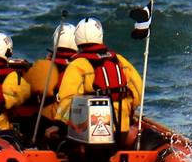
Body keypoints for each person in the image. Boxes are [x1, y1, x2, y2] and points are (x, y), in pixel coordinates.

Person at [49, 17, 143, 145]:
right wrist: (128, 111)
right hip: (122, 128)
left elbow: (68, 100)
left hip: (91, 135)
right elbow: (138, 91)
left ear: (77, 38)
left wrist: (59, 124)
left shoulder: (78, 64)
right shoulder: (119, 60)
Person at [23, 23, 77, 121]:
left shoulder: (45, 65)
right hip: (77, 118)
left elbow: (26, 86)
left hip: (50, 118)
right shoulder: (83, 64)